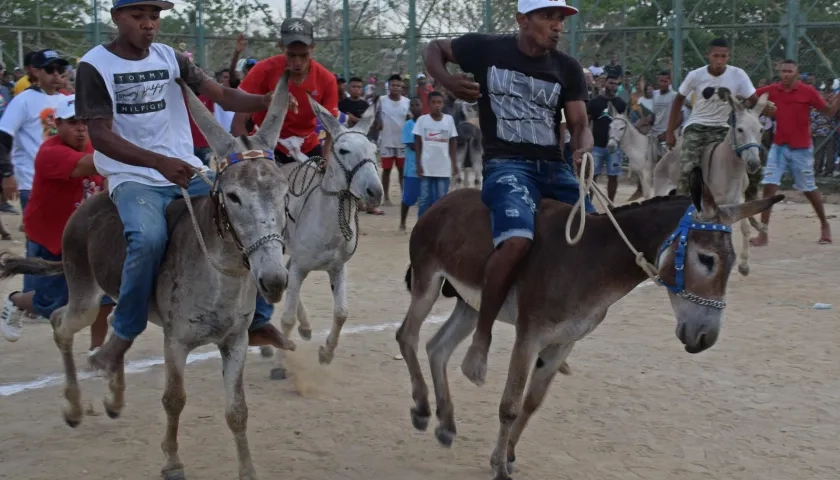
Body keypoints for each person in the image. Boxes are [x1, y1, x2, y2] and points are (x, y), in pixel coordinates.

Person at [74, 0, 282, 373]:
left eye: (154, 17)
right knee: (147, 238)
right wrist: (157, 162)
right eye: (139, 17)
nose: (149, 24)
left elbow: (219, 93)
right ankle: (122, 335)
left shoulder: (171, 57)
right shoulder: (94, 65)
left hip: (186, 169)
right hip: (134, 177)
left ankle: (258, 317)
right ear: (117, 17)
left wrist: (263, 100)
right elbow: (101, 136)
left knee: (246, 217)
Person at [423, 0, 595, 384]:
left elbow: (580, 121)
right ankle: (482, 336)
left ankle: (556, 332)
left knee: (594, 233)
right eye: (548, 17)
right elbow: (433, 48)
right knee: (517, 241)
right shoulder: (487, 49)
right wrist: (447, 82)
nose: (556, 26)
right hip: (507, 165)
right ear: (522, 19)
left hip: (554, 168)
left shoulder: (565, 67)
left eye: (560, 19)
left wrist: (583, 148)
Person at [0, 95, 113, 346]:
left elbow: (105, 179)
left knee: (104, 295)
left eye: (85, 121)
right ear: (57, 123)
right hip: (50, 236)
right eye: (73, 121)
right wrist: (134, 155)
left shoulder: (95, 147)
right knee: (51, 303)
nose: (81, 127)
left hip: (84, 237)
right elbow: (90, 166)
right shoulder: (50, 152)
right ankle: (16, 301)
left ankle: (98, 351)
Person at [750, 59, 840, 246]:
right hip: (779, 147)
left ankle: (824, 225)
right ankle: (763, 233)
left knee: (808, 189)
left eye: (789, 71)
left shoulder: (807, 91)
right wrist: (763, 108)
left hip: (801, 148)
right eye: (783, 71)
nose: (786, 74)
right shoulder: (773, 90)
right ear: (779, 72)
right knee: (769, 186)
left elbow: (829, 111)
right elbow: (751, 97)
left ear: (796, 72)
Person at [665, 38, 767, 195]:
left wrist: (768, 108)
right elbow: (678, 99)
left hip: (723, 128)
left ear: (728, 56)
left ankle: (750, 201)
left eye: (723, 56)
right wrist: (670, 131)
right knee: (688, 168)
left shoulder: (738, 74)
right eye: (716, 56)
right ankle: (684, 202)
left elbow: (753, 101)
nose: (719, 60)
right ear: (709, 56)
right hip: (696, 127)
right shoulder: (696, 75)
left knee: (752, 158)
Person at [233, 18, 338, 165]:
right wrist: (250, 155)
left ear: (313, 48)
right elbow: (238, 121)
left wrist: (326, 160)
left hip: (306, 147)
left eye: (303, 55)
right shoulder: (263, 70)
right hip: (265, 145)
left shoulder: (327, 79)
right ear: (281, 46)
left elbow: (331, 130)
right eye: (291, 55)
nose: (297, 62)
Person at [0, 49, 70, 218]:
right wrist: (7, 174)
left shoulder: (65, 100)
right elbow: (3, 137)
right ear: (37, 71)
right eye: (49, 69)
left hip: (62, 180)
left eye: (59, 70)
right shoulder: (23, 100)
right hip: (32, 182)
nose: (55, 74)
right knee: (37, 240)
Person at [413, 91, 458, 216]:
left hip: (443, 167)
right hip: (426, 166)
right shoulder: (422, 120)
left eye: (439, 102)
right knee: (424, 199)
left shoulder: (449, 120)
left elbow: (453, 141)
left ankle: (438, 228)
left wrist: (454, 163)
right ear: (428, 104)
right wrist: (418, 163)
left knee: (441, 200)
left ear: (443, 104)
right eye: (433, 102)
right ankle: (421, 226)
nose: (436, 105)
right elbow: (418, 143)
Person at [587, 74, 626, 202]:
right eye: (611, 83)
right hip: (597, 145)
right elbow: (587, 122)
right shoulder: (595, 102)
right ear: (605, 84)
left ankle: (611, 205)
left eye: (616, 84)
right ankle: (589, 206)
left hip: (614, 148)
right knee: (592, 176)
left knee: (613, 176)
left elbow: (624, 124)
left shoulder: (621, 104)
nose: (613, 86)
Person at [375, 74, 410, 206]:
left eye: (398, 85)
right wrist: (378, 124)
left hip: (402, 141)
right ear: (388, 87)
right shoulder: (381, 100)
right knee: (387, 170)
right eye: (393, 85)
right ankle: (386, 198)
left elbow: (409, 119)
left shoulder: (407, 102)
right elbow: (377, 117)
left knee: (402, 170)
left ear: (402, 87)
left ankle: (404, 197)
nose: (395, 87)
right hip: (386, 140)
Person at [399, 97, 423, 231]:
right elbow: (412, 145)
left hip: (427, 166)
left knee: (425, 198)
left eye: (417, 104)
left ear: (422, 106)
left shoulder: (426, 122)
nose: (415, 107)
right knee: (408, 197)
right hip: (412, 167)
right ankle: (402, 222)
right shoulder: (408, 125)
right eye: (412, 105)